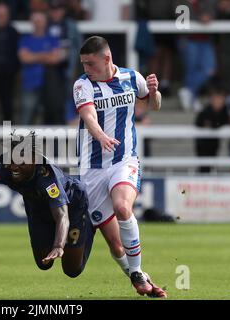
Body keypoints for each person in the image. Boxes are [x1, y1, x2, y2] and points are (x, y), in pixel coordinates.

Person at [73, 36, 166, 297]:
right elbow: (88, 115)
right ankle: (141, 279)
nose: (85, 69)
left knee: (123, 207)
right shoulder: (83, 85)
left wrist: (155, 91)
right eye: (83, 64)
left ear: (106, 59)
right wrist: (100, 135)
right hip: (92, 169)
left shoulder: (131, 77)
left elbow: (153, 105)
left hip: (124, 160)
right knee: (115, 245)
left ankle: (136, 271)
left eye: (90, 64)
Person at [0, 132, 95, 278]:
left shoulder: (46, 176)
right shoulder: (2, 166)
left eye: (21, 162)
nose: (14, 167)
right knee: (43, 264)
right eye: (11, 160)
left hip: (71, 207)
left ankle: (89, 226)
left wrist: (58, 246)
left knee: (72, 271)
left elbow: (62, 215)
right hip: (37, 207)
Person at [18, 10, 62, 124]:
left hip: (48, 86)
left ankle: (46, 142)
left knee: (49, 116)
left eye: (40, 21)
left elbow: (55, 58)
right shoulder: (25, 39)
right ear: (31, 22)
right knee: (27, 116)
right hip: (30, 83)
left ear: (45, 22)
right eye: (35, 21)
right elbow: (24, 58)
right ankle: (25, 142)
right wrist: (45, 55)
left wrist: (33, 56)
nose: (38, 23)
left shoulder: (52, 39)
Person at [46, 0, 83, 126]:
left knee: (70, 100)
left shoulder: (70, 26)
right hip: (49, 70)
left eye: (59, 9)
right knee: (51, 104)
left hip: (68, 69)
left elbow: (80, 47)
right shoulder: (45, 25)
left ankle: (69, 133)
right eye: (53, 9)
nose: (56, 12)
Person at [177, 0, 218, 112]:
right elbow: (177, 15)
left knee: (210, 68)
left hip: (205, 40)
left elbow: (214, 10)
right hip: (188, 39)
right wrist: (199, 19)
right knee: (191, 70)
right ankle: (192, 98)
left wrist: (209, 16)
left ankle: (188, 91)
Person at [195, 88, 230, 173]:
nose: (218, 102)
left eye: (220, 100)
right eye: (216, 100)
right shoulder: (205, 111)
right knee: (204, 166)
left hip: (214, 142)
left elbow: (222, 122)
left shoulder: (225, 111)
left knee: (213, 163)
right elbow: (199, 123)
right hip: (203, 143)